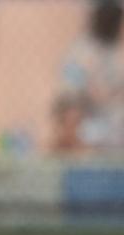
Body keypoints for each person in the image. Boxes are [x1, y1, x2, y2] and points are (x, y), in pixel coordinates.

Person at [53, 0, 124, 151]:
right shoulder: (81, 52)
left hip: (115, 125)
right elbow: (69, 93)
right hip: (90, 124)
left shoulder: (115, 51)